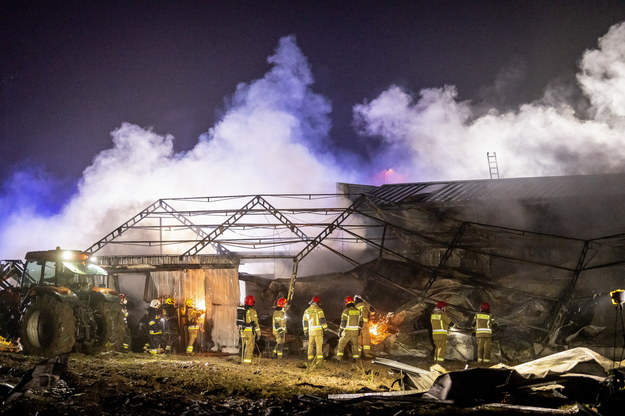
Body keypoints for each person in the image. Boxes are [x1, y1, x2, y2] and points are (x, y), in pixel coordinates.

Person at [335, 296, 362, 362]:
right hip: (355, 332)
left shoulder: (346, 311)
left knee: (341, 344)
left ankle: (339, 359)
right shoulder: (358, 311)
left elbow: (343, 323)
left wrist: (340, 331)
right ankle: (355, 359)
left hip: (347, 332)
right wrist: (359, 330)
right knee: (355, 345)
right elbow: (361, 322)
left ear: (346, 303)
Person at [302, 296, 327, 362]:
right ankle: (319, 359)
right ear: (317, 302)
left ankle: (310, 358)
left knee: (310, 345)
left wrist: (305, 330)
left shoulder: (307, 310)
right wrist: (325, 329)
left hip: (311, 332)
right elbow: (322, 320)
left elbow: (305, 322)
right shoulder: (319, 310)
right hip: (318, 332)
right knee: (319, 345)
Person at [237, 295, 260, 365]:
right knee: (249, 347)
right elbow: (256, 323)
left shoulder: (242, 310)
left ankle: (242, 360)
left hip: (242, 331)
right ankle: (247, 362)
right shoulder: (253, 311)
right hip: (250, 332)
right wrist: (259, 333)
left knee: (244, 346)